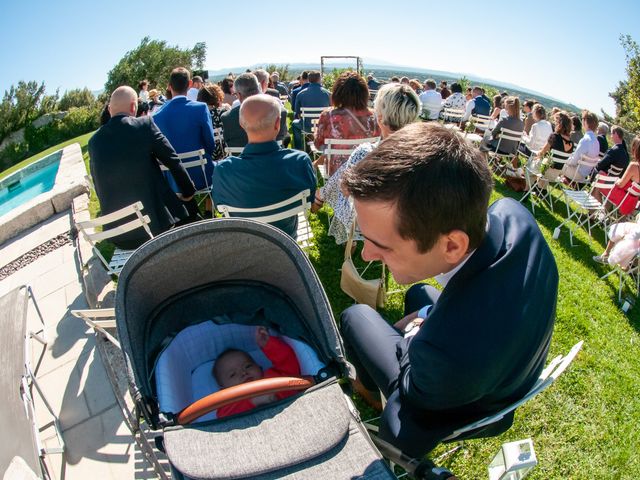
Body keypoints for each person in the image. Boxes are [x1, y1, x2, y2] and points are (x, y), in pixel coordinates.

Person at [339, 122, 558, 458]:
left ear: (453, 246)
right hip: (510, 357)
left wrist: (415, 335)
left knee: (357, 315)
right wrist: (428, 313)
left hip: (473, 402)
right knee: (419, 296)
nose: (367, 254)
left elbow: (415, 389)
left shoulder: (447, 354)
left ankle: (368, 389)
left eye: (380, 243)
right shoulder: (514, 215)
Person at [312, 83, 420, 244]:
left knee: (346, 174)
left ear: (381, 118)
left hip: (370, 222)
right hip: (408, 222)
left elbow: (346, 190)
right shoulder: (421, 153)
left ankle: (321, 196)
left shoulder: (366, 152)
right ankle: (321, 195)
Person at [88, 86, 195, 249]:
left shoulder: (94, 141)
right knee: (191, 210)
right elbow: (172, 160)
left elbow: (97, 183)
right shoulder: (144, 125)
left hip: (119, 236)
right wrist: (189, 192)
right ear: (133, 107)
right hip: (155, 229)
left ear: (110, 110)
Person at [212, 95, 316, 239]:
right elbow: (310, 198)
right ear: (278, 124)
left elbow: (219, 205)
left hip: (245, 241)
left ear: (241, 124)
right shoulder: (300, 161)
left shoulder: (223, 170)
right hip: (287, 240)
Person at [213, 327, 301, 418]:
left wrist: (268, 344)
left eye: (248, 366)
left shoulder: (273, 376)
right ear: (223, 389)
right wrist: (253, 402)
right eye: (232, 374)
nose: (243, 372)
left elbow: (287, 361)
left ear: (259, 367)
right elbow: (224, 419)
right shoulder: (227, 403)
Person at [153, 67, 216, 194]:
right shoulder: (201, 108)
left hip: (174, 180)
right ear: (190, 84)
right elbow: (210, 144)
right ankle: (210, 208)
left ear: (169, 86)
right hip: (202, 174)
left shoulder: (156, 115)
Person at [313, 72, 381, 176]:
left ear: (337, 92)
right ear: (364, 93)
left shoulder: (328, 115)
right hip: (365, 174)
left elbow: (318, 145)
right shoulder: (375, 116)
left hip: (336, 174)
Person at [221, 73, 289, 148]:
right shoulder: (280, 112)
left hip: (242, 158)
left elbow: (227, 141)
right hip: (275, 158)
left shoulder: (227, 118)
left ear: (239, 95)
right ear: (259, 88)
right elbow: (284, 137)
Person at [596, 136, 640, 216]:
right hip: (631, 203)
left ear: (635, 150)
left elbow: (620, 184)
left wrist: (616, 180)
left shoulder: (634, 166)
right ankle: (603, 216)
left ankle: (592, 214)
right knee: (611, 189)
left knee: (599, 179)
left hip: (622, 199)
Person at [292, 70, 330, 150]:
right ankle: (325, 146)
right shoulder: (328, 94)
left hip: (306, 126)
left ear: (308, 80)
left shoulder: (301, 94)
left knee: (294, 124)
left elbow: (298, 114)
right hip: (323, 126)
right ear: (320, 79)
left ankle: (299, 149)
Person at [562, 110, 600, 182]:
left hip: (576, 174)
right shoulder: (596, 142)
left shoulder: (585, 140)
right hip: (584, 175)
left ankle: (540, 188)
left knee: (556, 162)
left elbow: (573, 162)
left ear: (585, 122)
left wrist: (564, 159)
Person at [536, 111, 574, 181]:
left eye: (556, 122)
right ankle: (541, 189)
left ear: (559, 124)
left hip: (545, 170)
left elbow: (542, 153)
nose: (554, 124)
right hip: (555, 175)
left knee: (532, 161)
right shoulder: (571, 143)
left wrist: (537, 154)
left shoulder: (554, 136)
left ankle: (527, 188)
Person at [197, 84, 230, 160]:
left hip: (208, 158)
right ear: (217, 98)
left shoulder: (199, 115)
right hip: (227, 156)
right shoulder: (225, 113)